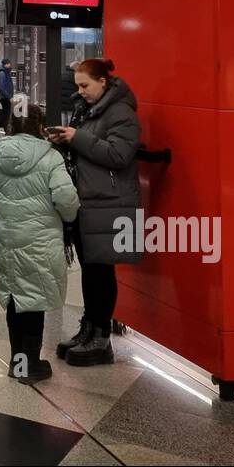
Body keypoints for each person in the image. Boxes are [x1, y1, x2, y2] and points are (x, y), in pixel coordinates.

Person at [47, 57, 140, 367]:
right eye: (77, 86)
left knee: (101, 270)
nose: (81, 91)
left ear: (103, 81)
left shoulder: (121, 112)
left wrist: (78, 137)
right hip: (90, 199)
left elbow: (119, 154)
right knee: (90, 269)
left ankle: (101, 339)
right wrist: (66, 140)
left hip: (109, 201)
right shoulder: (91, 109)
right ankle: (88, 329)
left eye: (85, 85)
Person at [0, 107, 79, 384]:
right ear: (41, 127)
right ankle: (31, 364)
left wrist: (8, 209)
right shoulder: (50, 157)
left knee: (14, 296)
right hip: (40, 238)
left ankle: (17, 361)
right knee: (34, 299)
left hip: (8, 237)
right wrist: (69, 218)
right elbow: (66, 198)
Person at [0, 57, 14, 133]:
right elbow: (2, 87)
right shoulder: (2, 73)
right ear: (5, 64)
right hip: (4, 98)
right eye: (8, 63)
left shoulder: (6, 72)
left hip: (6, 97)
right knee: (6, 114)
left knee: (5, 113)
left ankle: (3, 127)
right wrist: (9, 97)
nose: (10, 65)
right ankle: (4, 128)